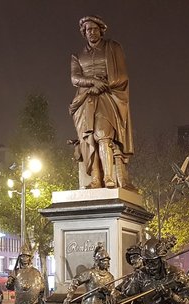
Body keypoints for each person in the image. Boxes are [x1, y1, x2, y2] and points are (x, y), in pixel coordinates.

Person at [70, 15, 134, 190]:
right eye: (88, 30)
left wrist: (104, 85)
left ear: (101, 31)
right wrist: (93, 83)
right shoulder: (77, 55)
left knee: (102, 134)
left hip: (108, 96)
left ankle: (108, 177)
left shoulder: (112, 48)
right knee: (88, 139)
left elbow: (122, 75)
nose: (91, 32)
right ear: (84, 33)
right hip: (85, 99)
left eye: (94, 29)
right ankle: (96, 179)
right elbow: (75, 78)